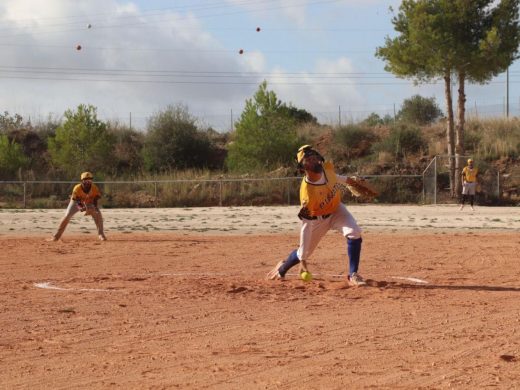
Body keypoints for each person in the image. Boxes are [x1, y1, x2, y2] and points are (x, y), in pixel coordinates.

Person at [267, 145, 366, 286]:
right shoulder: (307, 194)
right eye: (308, 159)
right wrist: (303, 261)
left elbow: (337, 178)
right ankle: (282, 268)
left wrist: (353, 182)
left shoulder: (326, 170)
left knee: (354, 232)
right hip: (316, 219)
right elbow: (306, 227)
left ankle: (353, 275)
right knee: (304, 252)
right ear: (302, 168)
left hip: (337, 210)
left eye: (314, 157)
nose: (314, 160)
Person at [50, 171, 107, 241]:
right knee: (67, 216)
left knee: (98, 214)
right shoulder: (77, 188)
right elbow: (77, 201)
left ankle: (101, 234)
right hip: (76, 202)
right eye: (86, 180)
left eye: (90, 180)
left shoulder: (94, 188)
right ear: (82, 181)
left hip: (89, 202)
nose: (88, 182)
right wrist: (82, 208)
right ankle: (56, 236)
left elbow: (95, 199)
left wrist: (94, 208)